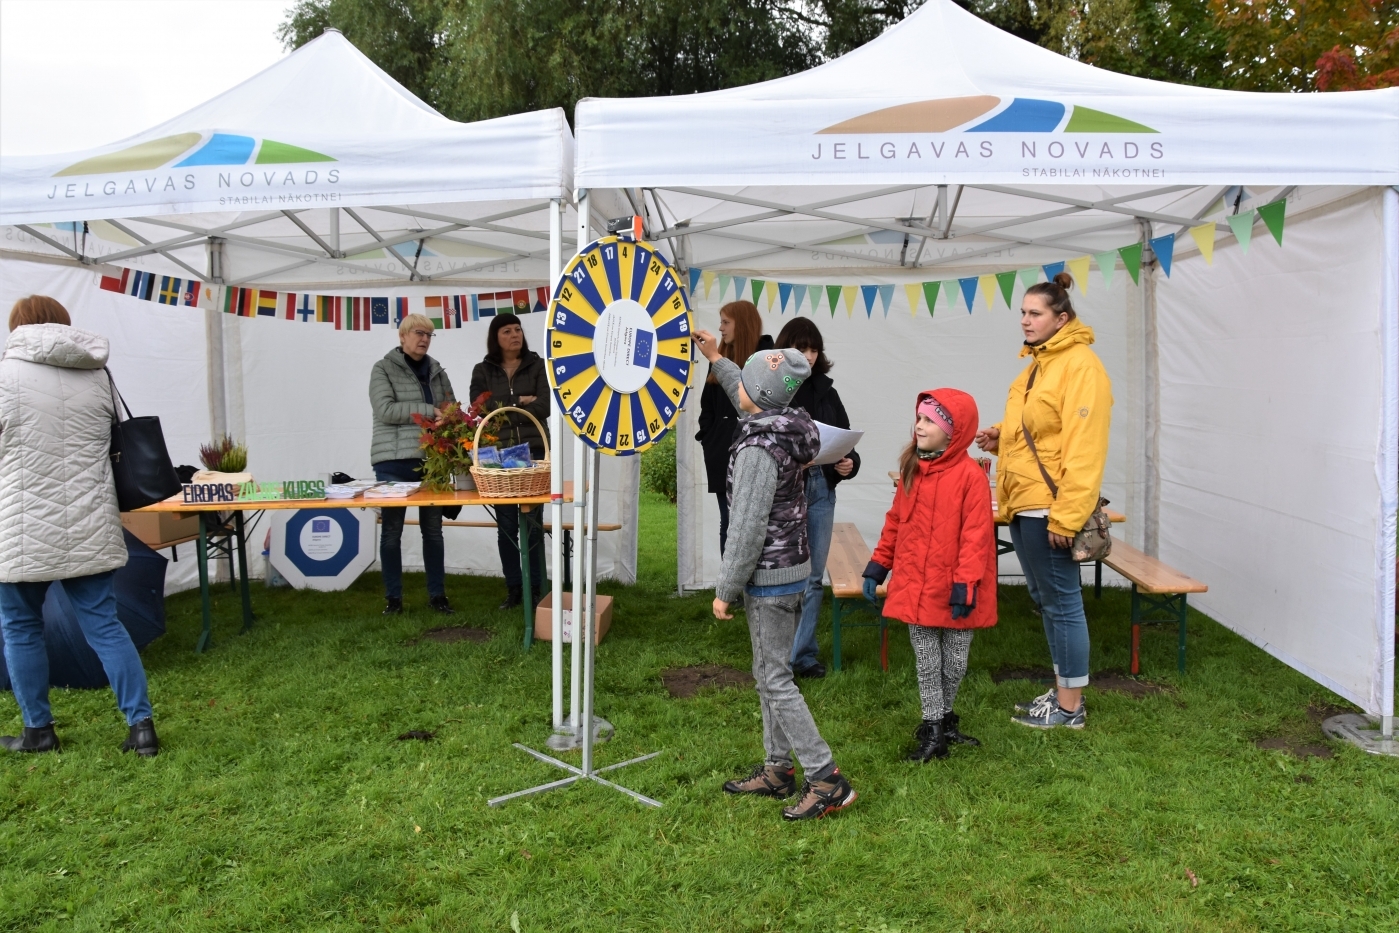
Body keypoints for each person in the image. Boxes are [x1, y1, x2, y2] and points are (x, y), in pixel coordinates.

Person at [695, 332, 857, 821]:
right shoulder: (787, 424)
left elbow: (745, 527)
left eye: (741, 380)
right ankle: (777, 769)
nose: (735, 385)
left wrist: (725, 589)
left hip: (768, 579)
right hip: (789, 572)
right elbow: (748, 387)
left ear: (757, 397)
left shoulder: (756, 450)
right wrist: (716, 357)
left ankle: (826, 778)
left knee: (775, 679)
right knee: (770, 674)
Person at [0, 296, 158, 756]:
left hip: (21, 524)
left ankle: (39, 731)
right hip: (91, 519)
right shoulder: (98, 375)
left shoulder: (5, 375)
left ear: (17, 327)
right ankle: (141, 727)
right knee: (105, 626)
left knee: (20, 626)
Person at [975, 272, 1112, 730]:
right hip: (1026, 500)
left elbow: (1084, 448)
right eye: (1023, 313)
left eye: (1035, 313)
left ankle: (1071, 707)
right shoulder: (1039, 364)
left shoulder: (1080, 365)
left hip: (1050, 507)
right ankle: (1062, 690)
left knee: (1062, 602)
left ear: (1062, 318)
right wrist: (1000, 435)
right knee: (1046, 599)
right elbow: (1039, 428)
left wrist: (1068, 515)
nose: (1026, 321)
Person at [862, 389, 997, 761]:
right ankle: (933, 732)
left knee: (955, 662)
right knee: (927, 661)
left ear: (954, 431)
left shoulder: (971, 477)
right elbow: (895, 523)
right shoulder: (912, 470)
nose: (919, 426)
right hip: (914, 584)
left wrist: (966, 584)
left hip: (957, 586)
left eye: (929, 421)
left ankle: (943, 719)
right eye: (918, 419)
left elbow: (977, 537)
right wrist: (878, 566)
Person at [774, 318, 858, 680]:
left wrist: (848, 464)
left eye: (814, 349)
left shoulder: (828, 392)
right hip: (786, 492)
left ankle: (802, 656)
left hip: (822, 491)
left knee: (811, 578)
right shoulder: (774, 390)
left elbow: (848, 443)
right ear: (786, 350)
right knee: (783, 575)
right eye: (802, 348)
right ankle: (780, 656)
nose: (809, 356)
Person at [369, 313, 456, 616]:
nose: (424, 339)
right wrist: (430, 411)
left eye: (429, 334)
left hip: (431, 461)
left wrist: (450, 416)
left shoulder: (437, 371)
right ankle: (394, 599)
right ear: (402, 336)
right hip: (392, 462)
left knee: (433, 531)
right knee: (392, 532)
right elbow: (385, 410)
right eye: (419, 333)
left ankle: (438, 596)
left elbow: (451, 408)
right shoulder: (382, 369)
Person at [469, 314, 549, 610]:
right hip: (498, 455)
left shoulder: (538, 364)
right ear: (496, 337)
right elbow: (480, 405)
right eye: (507, 331)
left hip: (534, 453)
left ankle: (538, 587)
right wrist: (519, 400)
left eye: (517, 329)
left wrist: (507, 403)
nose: (515, 334)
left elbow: (545, 405)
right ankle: (514, 589)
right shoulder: (483, 369)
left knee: (532, 525)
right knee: (505, 526)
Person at [695, 300, 773, 555]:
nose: (720, 328)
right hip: (721, 453)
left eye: (726, 322)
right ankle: (730, 592)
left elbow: (760, 402)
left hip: (754, 454)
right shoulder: (718, 359)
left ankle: (753, 587)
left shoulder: (766, 360)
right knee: (727, 522)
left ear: (744, 324)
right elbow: (707, 407)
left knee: (753, 524)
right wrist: (711, 436)